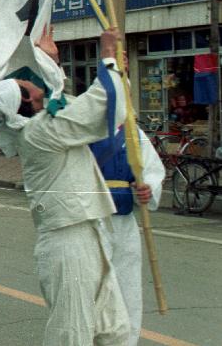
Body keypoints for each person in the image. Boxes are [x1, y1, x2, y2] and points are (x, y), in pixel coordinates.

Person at [0, 28, 130, 346]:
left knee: (114, 329)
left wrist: (54, 62)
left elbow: (70, 106)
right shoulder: (38, 132)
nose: (31, 80)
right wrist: (107, 56)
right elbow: (98, 109)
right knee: (72, 333)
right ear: (25, 98)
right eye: (26, 82)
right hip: (68, 241)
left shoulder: (44, 125)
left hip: (87, 232)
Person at [90, 119, 165, 346]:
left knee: (128, 291)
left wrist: (148, 188)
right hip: (91, 222)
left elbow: (152, 169)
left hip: (124, 223)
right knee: (94, 291)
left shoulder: (133, 132)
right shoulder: (84, 128)